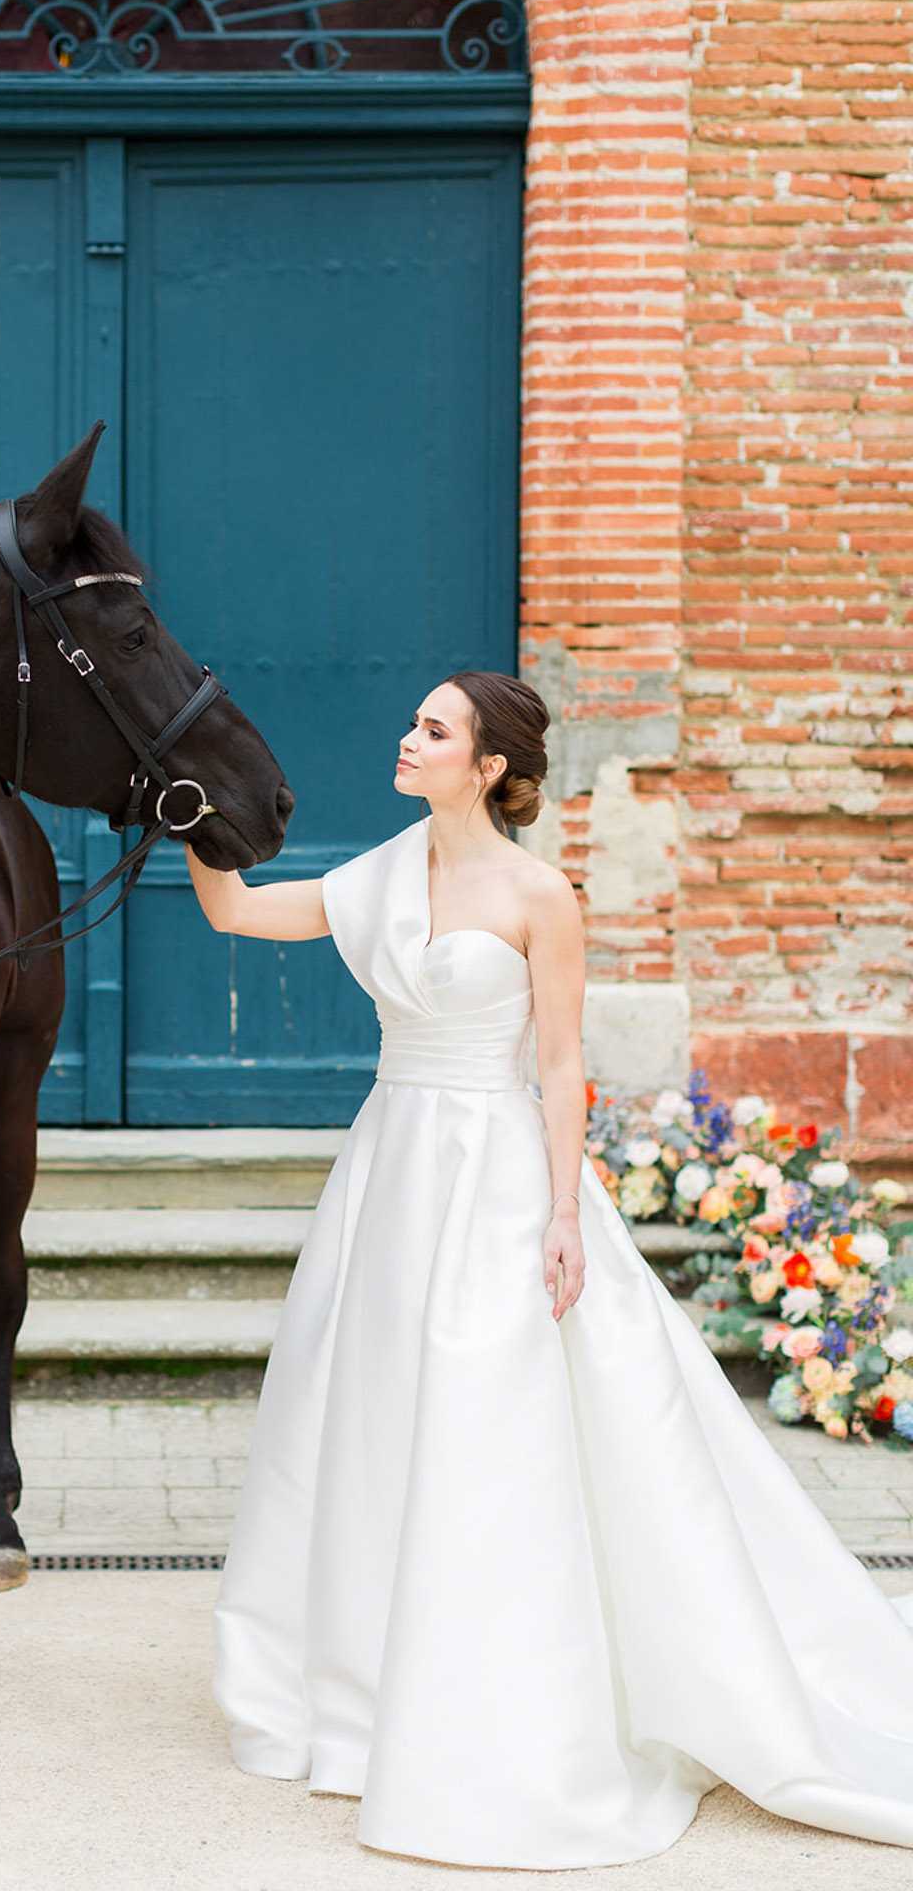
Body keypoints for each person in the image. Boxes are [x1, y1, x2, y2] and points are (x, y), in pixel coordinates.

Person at [184, 669, 913, 1870]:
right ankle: (356, 1688)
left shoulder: (540, 893)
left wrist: (564, 1209)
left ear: (488, 768)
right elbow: (237, 913)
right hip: (390, 1170)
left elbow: (564, 1058)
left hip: (499, 1166)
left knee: (495, 1420)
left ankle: (501, 1686)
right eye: (412, 721)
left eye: (433, 729)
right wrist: (189, 819)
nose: (405, 738)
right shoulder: (380, 874)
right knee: (366, 1418)